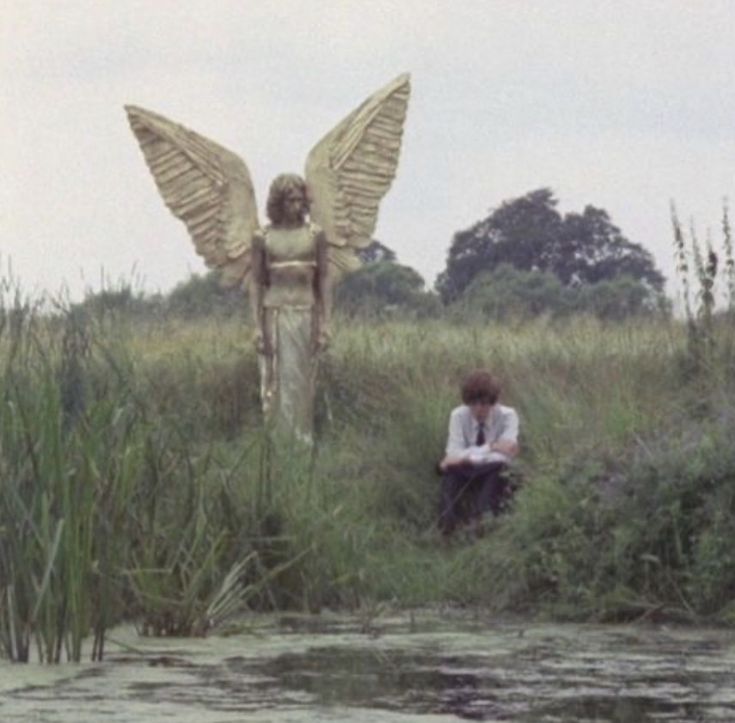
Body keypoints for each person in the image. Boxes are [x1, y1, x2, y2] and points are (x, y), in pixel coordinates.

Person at [249, 173, 331, 443]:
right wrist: (256, 327)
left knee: (301, 378)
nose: (297, 206)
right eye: (290, 201)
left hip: (305, 314)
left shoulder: (315, 235)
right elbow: (257, 282)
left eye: (300, 200)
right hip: (275, 313)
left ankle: (302, 436)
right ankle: (278, 438)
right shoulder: (262, 237)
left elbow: (324, 280)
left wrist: (326, 323)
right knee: (276, 380)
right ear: (279, 203)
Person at [438, 370, 519, 536]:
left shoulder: (508, 416)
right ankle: (448, 525)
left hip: (493, 469)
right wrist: (491, 447)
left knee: (498, 469)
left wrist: (470, 455)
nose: (479, 409)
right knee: (449, 474)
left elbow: (507, 453)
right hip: (466, 469)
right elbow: (452, 454)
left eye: (484, 404)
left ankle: (481, 521)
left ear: (493, 402)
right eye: (473, 404)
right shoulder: (458, 416)